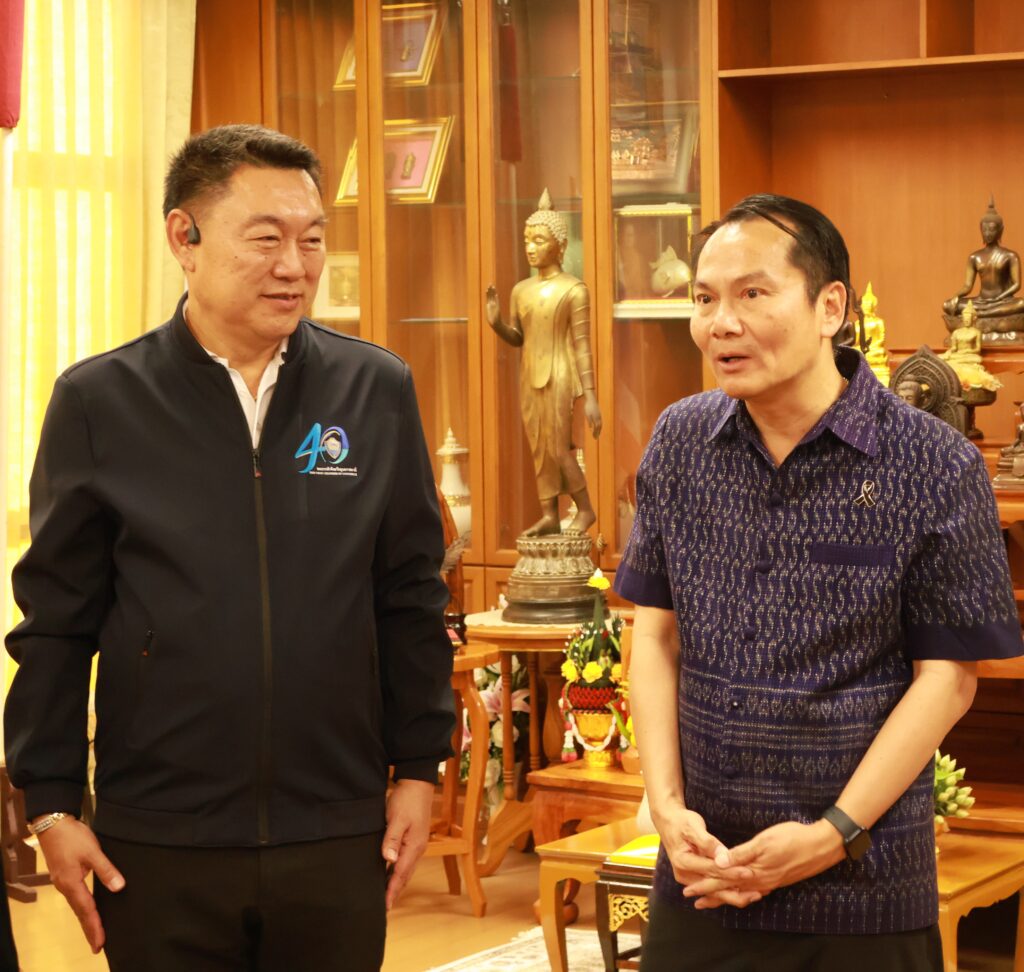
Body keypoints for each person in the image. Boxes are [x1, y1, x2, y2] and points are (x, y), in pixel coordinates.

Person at [4, 124, 455, 971]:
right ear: (185, 238)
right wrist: (53, 803)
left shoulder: (375, 388)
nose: (296, 266)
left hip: (336, 826)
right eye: (266, 239)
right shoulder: (100, 401)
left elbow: (410, 596)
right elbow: (56, 622)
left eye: (312, 240)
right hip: (160, 834)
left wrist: (420, 769)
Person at [615, 193, 1023, 971]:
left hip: (864, 892)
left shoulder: (934, 464)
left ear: (830, 306)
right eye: (704, 299)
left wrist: (834, 833)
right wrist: (665, 808)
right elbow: (655, 638)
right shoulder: (679, 441)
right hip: (704, 879)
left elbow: (949, 679)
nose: (720, 323)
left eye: (752, 294)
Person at [485, 190, 602, 537]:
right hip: (529, 375)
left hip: (561, 373)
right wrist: (496, 324)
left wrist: (591, 396)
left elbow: (583, 345)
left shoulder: (574, 290)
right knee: (539, 449)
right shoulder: (520, 290)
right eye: (527, 240)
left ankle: (586, 509)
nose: (531, 247)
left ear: (560, 245)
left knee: (559, 448)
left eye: (539, 240)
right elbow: (518, 338)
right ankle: (549, 513)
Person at [943, 197, 1024, 323]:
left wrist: (998, 298)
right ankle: (986, 313)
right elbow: (967, 286)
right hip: (981, 301)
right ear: (980, 230)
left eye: (991, 229)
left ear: (1001, 230)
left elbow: (1017, 285)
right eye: (984, 230)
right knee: (947, 305)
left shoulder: (1010, 256)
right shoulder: (974, 257)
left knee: (1022, 303)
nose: (987, 233)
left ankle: (979, 314)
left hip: (1002, 301)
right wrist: (956, 296)